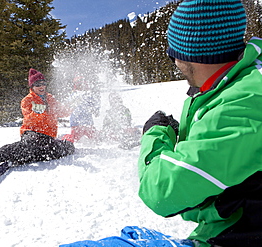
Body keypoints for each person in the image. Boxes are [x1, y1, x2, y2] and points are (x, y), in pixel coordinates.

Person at [60, 0, 262, 246]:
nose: (173, 61)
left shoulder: (243, 103)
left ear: (191, 53)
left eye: (174, 53)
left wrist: (155, 135)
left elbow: (162, 193)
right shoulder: (240, 86)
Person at [0, 68, 75, 173]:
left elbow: (62, 112)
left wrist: (72, 106)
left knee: (66, 149)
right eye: (37, 84)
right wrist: (37, 113)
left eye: (43, 83)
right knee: (30, 145)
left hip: (48, 136)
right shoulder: (27, 100)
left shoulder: (51, 98)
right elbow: (28, 118)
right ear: (32, 86)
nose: (41, 87)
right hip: (32, 132)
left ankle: (26, 156)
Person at [61, 76, 101, 143]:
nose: (82, 86)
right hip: (76, 123)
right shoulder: (73, 95)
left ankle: (100, 137)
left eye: (83, 84)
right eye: (79, 84)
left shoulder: (88, 95)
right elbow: (67, 104)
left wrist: (96, 110)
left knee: (94, 136)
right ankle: (65, 138)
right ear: (76, 86)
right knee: (75, 138)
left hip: (88, 122)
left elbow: (94, 104)